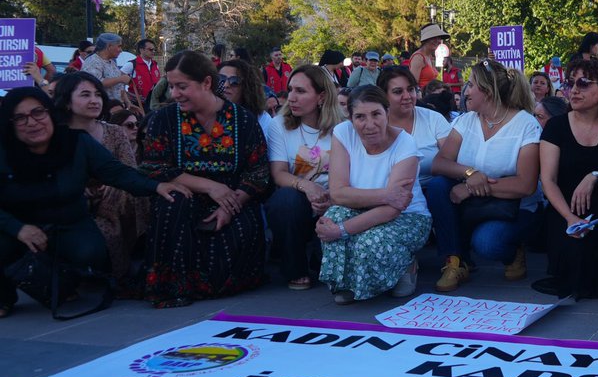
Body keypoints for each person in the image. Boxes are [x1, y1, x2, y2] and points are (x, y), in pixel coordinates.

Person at [0, 88, 187, 317]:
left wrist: (156, 186)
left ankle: (62, 281)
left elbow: (116, 172)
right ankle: (4, 296)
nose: (32, 122)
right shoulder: (3, 150)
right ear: (9, 123)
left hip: (67, 222)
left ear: (50, 112)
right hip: (14, 225)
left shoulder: (76, 142)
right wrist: (18, 228)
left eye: (38, 112)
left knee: (90, 252)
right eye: (20, 117)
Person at [141, 50, 274, 308]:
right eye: (171, 86)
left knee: (229, 250)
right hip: (186, 197)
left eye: (182, 86)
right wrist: (211, 187)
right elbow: (154, 167)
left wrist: (230, 204)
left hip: (235, 200)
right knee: (172, 204)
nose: (174, 94)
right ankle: (171, 286)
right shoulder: (163, 119)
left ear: (206, 82)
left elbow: (258, 173)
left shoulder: (243, 119)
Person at [428, 59, 542, 290]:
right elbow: (439, 163)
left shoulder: (526, 125)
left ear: (488, 91)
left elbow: (526, 185)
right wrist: (470, 173)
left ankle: (514, 251)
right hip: (476, 205)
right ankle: (455, 261)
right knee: (438, 185)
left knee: (487, 243)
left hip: (514, 208)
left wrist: (471, 188)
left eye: (471, 85)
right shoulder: (465, 121)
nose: (465, 92)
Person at [316, 85, 431, 304]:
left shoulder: (405, 143)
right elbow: (338, 193)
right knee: (333, 216)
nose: (369, 124)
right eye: (360, 117)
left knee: (368, 241)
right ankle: (347, 282)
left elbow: (393, 209)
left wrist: (341, 230)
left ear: (387, 112)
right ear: (350, 119)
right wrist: (386, 194)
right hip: (360, 207)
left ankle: (405, 266)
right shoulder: (343, 133)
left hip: (407, 217)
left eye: (376, 114)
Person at [53, 72, 151, 286]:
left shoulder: (115, 132)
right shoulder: (56, 136)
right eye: (85, 95)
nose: (94, 100)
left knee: (134, 191)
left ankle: (140, 260)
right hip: (77, 204)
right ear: (67, 101)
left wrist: (111, 184)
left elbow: (128, 170)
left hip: (116, 198)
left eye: (98, 94)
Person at [538, 59, 598, 299]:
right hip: (563, 206)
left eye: (583, 83)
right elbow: (548, 180)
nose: (574, 90)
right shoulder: (556, 126)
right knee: (572, 256)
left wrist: (594, 176)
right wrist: (570, 218)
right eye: (570, 83)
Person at [266, 65, 343, 291]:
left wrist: (332, 198)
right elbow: (278, 173)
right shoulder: (279, 125)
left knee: (329, 271)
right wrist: (307, 187)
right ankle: (295, 268)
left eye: (300, 91)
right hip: (298, 199)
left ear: (321, 96)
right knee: (286, 199)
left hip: (335, 201)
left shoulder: (343, 127)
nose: (291, 97)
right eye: (290, 89)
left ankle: (320, 256)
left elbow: (352, 173)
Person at [377, 66, 451, 190]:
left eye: (411, 89)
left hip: (431, 191)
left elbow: (451, 158)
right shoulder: (374, 124)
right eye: (398, 92)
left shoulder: (433, 118)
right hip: (385, 192)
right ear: (383, 95)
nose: (407, 96)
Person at [219, 58, 274, 136]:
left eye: (234, 81)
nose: (226, 85)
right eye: (221, 78)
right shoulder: (207, 114)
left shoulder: (262, 118)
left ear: (246, 86)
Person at [82, 33, 133, 103]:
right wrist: (120, 79)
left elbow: (118, 87)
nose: (121, 50)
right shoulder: (93, 61)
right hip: (101, 106)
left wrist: (127, 101)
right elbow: (95, 83)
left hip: (115, 106)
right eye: (119, 46)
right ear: (109, 46)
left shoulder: (111, 62)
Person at [410, 24, 450, 90]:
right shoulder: (418, 57)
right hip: (423, 96)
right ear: (426, 40)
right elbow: (413, 84)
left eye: (439, 38)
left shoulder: (430, 56)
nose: (438, 41)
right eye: (434, 38)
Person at [128, 39, 160, 104]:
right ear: (141, 50)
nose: (153, 51)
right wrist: (131, 96)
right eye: (150, 49)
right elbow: (118, 84)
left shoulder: (155, 65)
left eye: (154, 50)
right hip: (138, 104)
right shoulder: (131, 64)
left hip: (153, 103)